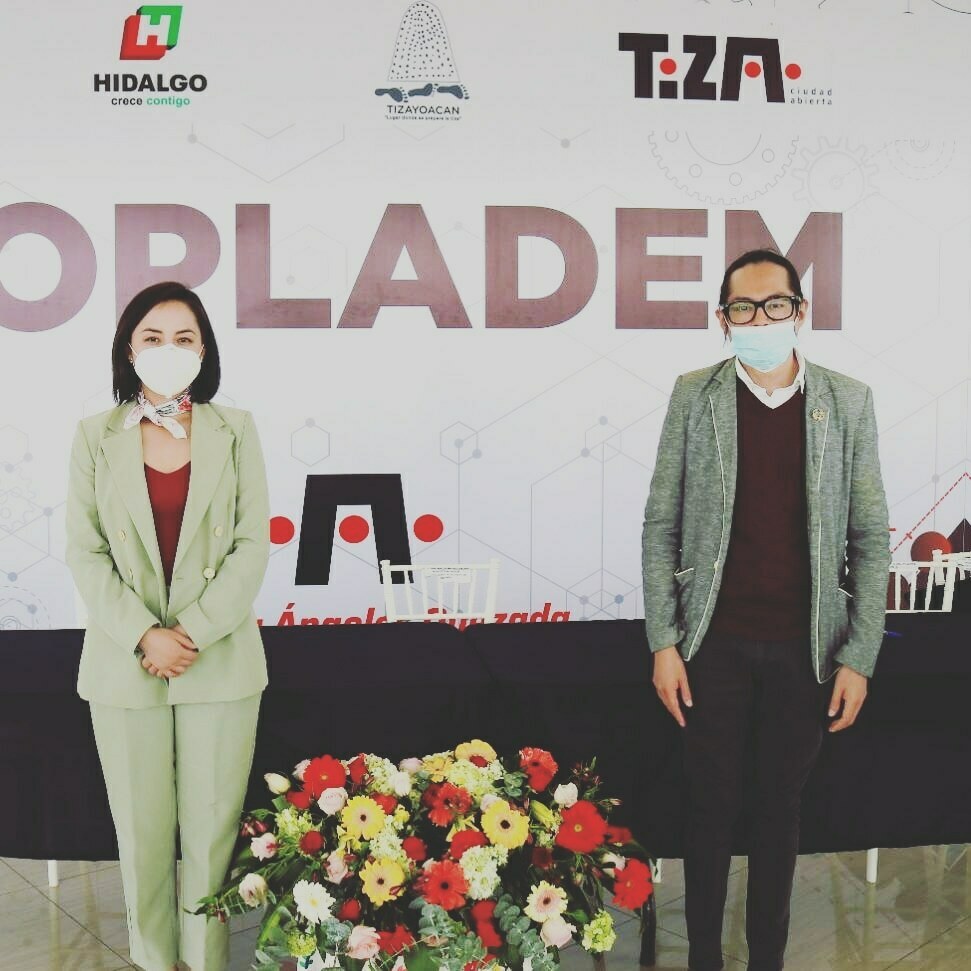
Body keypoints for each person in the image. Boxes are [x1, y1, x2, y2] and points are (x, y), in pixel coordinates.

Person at [641, 249, 890, 971]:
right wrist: (663, 641)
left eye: (773, 305)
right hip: (709, 644)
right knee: (709, 809)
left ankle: (766, 961)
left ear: (799, 311)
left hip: (806, 647)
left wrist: (859, 655)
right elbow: (660, 524)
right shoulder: (695, 395)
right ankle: (704, 959)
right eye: (743, 308)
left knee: (779, 812)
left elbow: (870, 537)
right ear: (723, 319)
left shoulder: (847, 401)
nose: (759, 319)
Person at [66, 281, 271, 971]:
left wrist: (193, 633)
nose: (168, 349)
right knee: (142, 832)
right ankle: (154, 961)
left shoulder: (235, 429)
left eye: (184, 337)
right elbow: (85, 551)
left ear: (204, 351)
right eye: (153, 336)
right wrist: (143, 633)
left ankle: (204, 960)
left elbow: (252, 544)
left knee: (211, 833)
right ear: (129, 349)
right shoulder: (94, 435)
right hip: (124, 663)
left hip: (219, 659)